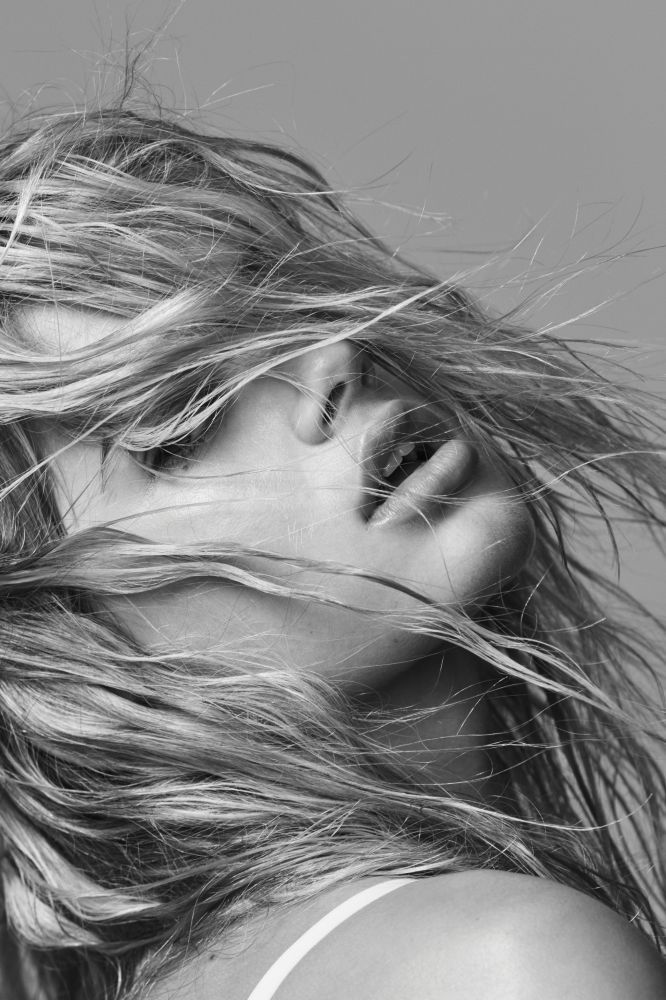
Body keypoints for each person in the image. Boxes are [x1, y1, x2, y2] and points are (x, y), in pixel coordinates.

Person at [0, 74, 665, 1000]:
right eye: (181, 422)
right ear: (58, 648)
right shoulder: (500, 963)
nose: (333, 360)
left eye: (279, 310)